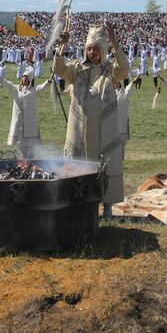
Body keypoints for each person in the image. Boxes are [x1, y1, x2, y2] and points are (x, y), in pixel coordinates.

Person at [55, 24, 130, 219]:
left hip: (104, 130)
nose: (92, 52)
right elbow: (59, 69)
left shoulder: (110, 70)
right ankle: (82, 205)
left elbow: (124, 67)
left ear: (103, 50)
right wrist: (61, 46)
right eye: (89, 48)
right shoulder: (77, 69)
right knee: (80, 166)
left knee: (105, 165)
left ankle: (107, 206)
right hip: (81, 129)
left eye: (96, 48)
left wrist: (114, 41)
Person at [0, 71, 51, 158]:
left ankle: (30, 164)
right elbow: (6, 83)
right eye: (23, 77)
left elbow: (42, 87)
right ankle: (24, 164)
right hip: (19, 122)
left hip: (30, 124)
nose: (24, 78)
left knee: (30, 150)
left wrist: (49, 80)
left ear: (30, 79)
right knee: (21, 147)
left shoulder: (34, 89)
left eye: (26, 77)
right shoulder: (16, 89)